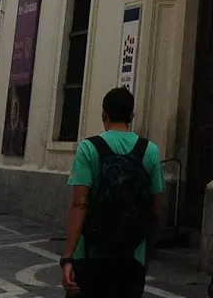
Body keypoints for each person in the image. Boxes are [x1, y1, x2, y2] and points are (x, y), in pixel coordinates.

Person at [61, 87, 164, 298]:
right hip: (131, 257)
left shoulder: (88, 148)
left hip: (90, 254)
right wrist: (146, 255)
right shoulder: (150, 151)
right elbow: (155, 209)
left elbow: (80, 204)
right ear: (131, 116)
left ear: (103, 114)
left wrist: (68, 258)